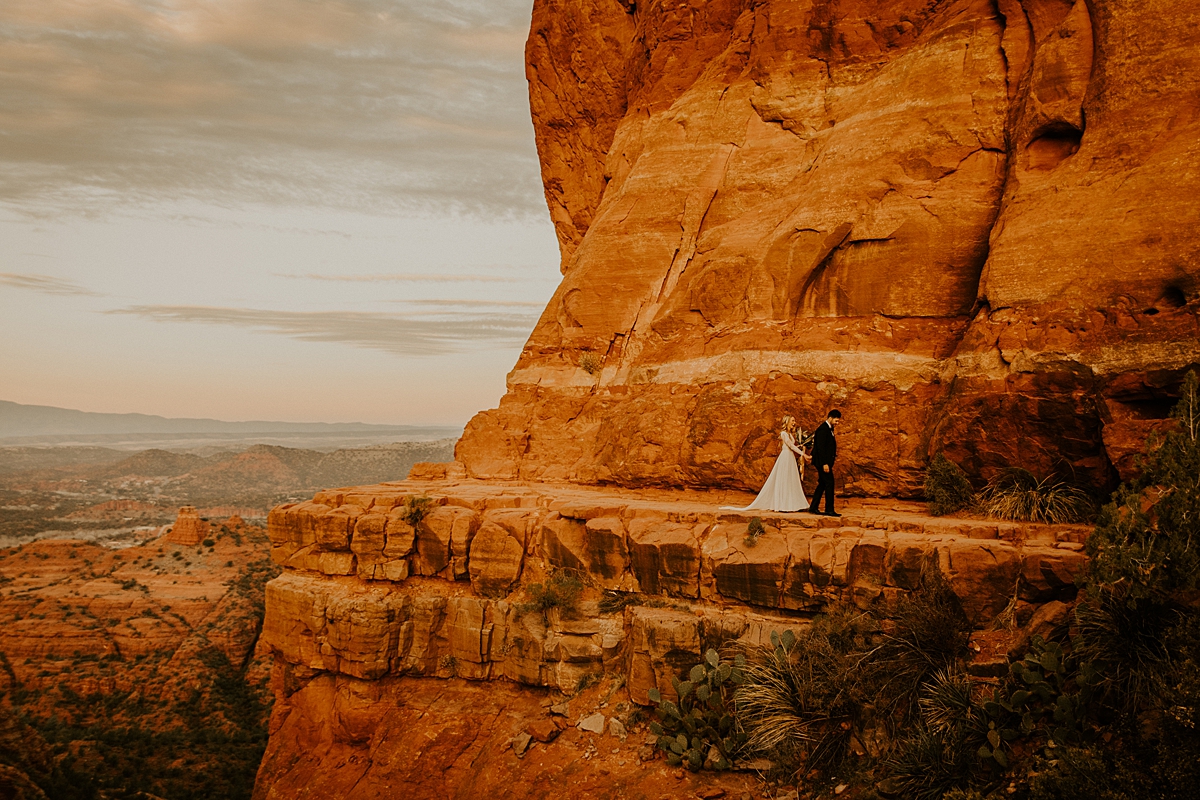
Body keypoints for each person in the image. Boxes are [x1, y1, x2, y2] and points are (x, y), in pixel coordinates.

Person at [722, 415, 809, 512]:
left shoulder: (790, 434)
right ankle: (782, 504)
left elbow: (793, 446)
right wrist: (803, 454)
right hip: (785, 457)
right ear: (787, 422)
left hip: (790, 458)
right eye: (792, 420)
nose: (794, 422)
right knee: (784, 479)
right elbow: (791, 446)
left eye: (794, 420)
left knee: (791, 479)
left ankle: (791, 503)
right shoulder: (783, 433)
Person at [806, 409, 841, 516]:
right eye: (836, 420)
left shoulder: (829, 429)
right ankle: (829, 509)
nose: (837, 423)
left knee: (822, 483)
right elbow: (821, 448)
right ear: (830, 418)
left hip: (824, 461)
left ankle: (813, 507)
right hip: (822, 462)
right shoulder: (822, 430)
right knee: (830, 482)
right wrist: (825, 463)